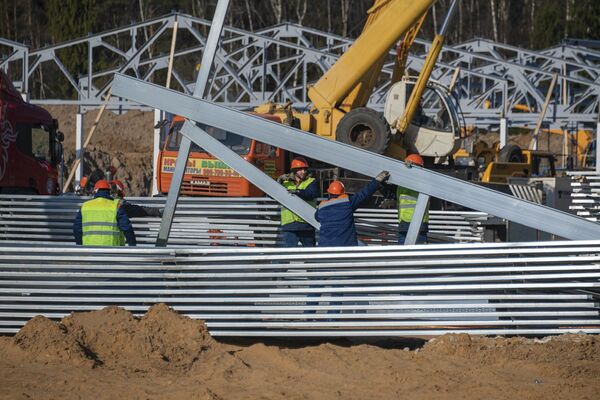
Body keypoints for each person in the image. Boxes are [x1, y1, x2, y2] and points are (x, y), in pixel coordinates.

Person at [315, 171, 390, 247]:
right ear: (342, 192)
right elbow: (364, 194)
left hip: (325, 246)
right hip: (346, 245)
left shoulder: (322, 207)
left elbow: (317, 217)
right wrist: (377, 181)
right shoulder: (347, 203)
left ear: (329, 193)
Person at [73, 179, 137, 246]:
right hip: (112, 250)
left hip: (89, 249)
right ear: (109, 191)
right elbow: (127, 227)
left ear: (95, 190)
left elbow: (77, 228)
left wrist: (80, 245)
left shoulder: (85, 206)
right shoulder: (116, 206)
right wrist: (132, 245)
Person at [276, 157, 319, 247]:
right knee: (287, 256)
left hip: (306, 223)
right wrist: (278, 183)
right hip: (289, 224)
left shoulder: (311, 181)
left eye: (304, 169)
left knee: (310, 256)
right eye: (300, 169)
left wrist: (297, 192)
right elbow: (271, 195)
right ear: (294, 171)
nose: (303, 172)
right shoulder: (285, 183)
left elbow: (311, 194)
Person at [397, 154, 429, 245]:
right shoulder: (403, 182)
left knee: (404, 256)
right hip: (409, 224)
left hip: (412, 224)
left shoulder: (418, 181)